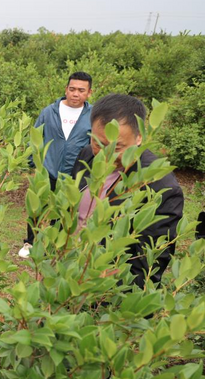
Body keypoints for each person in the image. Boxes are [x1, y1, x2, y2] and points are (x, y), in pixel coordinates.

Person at [71, 93, 183, 288]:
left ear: (139, 137)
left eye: (118, 147)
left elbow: (146, 267)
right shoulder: (87, 154)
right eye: (98, 143)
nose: (105, 155)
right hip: (69, 274)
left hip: (105, 292)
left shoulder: (161, 187)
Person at [19, 71, 93, 258]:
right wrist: (33, 163)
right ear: (66, 89)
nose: (76, 94)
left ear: (89, 93)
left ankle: (55, 244)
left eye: (81, 90)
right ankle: (30, 243)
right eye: (72, 89)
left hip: (74, 174)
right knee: (37, 206)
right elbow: (36, 137)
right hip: (47, 169)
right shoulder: (49, 111)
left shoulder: (93, 116)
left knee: (64, 210)